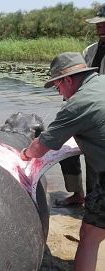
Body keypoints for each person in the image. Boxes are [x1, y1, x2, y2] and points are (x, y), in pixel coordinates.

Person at [20, 52, 105, 271]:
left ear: (68, 80)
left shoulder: (77, 104)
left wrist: (23, 153)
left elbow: (38, 149)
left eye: (57, 85)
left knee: (90, 235)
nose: (58, 92)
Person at [57, 3, 105, 206]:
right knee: (62, 148)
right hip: (84, 109)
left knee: (96, 157)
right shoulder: (90, 50)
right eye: (98, 26)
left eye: (104, 25)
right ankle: (78, 194)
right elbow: (77, 80)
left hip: (100, 114)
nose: (100, 29)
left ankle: (96, 203)